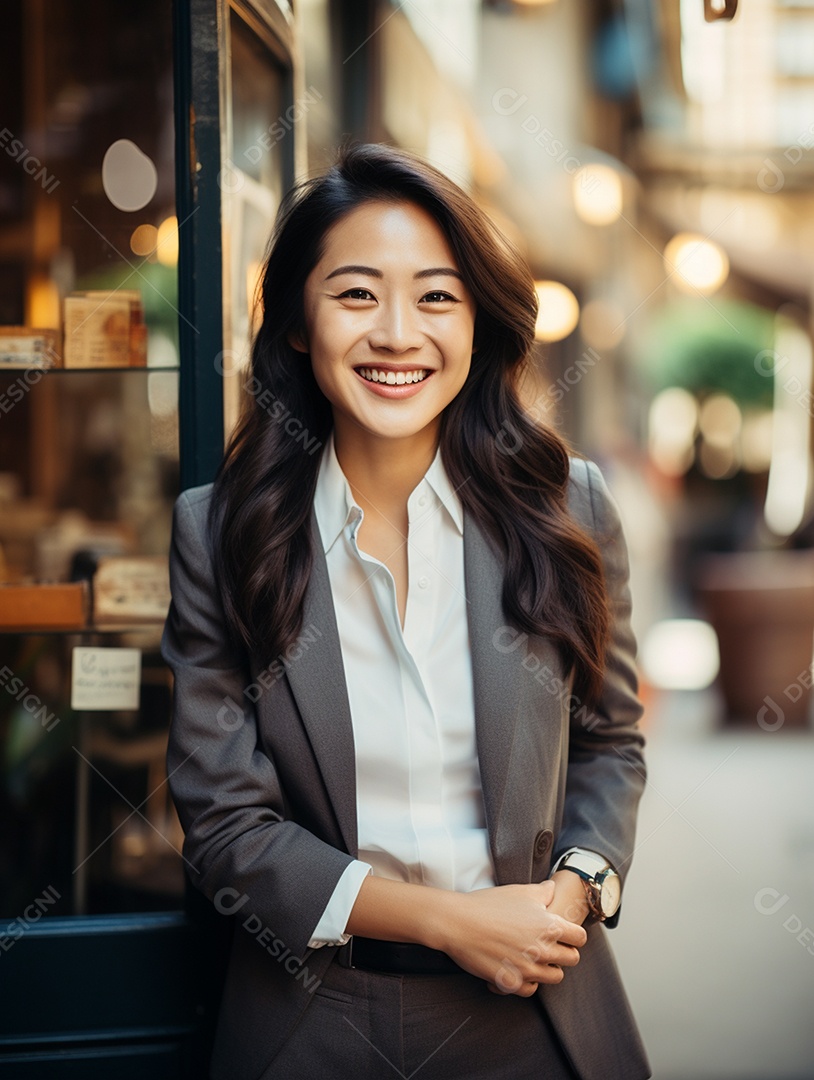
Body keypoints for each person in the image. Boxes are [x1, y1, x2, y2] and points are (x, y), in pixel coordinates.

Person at [162, 142, 650, 1080]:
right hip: (313, 1017)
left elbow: (610, 742)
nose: (396, 334)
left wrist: (577, 888)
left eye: (436, 297)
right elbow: (225, 830)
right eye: (356, 294)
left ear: (477, 321)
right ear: (297, 323)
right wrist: (453, 923)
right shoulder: (219, 534)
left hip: (537, 1011)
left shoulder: (567, 507)